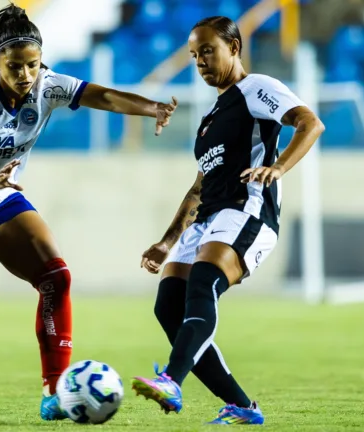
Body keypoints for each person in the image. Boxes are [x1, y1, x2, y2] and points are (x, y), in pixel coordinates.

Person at [0, 3, 178, 421]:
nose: (25, 75)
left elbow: (98, 94)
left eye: (32, 65)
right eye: (15, 67)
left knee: (55, 278)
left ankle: (54, 393)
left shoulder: (47, 85)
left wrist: (150, 107)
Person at [131, 16, 324, 425]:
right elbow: (199, 186)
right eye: (194, 54)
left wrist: (279, 168)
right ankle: (242, 405)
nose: (200, 61)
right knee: (168, 307)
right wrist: (167, 241)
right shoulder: (209, 120)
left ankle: (170, 379)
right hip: (207, 218)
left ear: (234, 47)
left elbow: (310, 123)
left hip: (247, 209)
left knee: (204, 284)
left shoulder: (257, 89)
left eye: (208, 50)